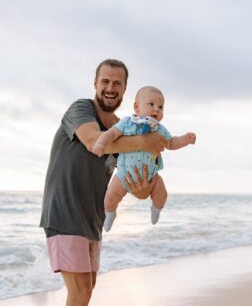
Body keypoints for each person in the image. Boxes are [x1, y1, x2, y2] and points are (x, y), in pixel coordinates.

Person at [39, 59, 167, 306]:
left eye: (117, 83)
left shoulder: (124, 128)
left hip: (93, 219)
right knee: (81, 291)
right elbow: (92, 141)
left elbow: (133, 180)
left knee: (87, 290)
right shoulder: (80, 109)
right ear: (95, 83)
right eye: (105, 81)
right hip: (64, 212)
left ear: (125, 89)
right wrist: (144, 142)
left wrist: (145, 189)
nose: (110, 87)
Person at [91, 86, 196, 231]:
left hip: (151, 177)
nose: (157, 110)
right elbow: (112, 134)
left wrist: (185, 140)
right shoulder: (127, 123)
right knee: (110, 197)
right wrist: (101, 143)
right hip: (123, 175)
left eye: (161, 107)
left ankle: (156, 209)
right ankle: (110, 213)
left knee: (162, 194)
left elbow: (171, 143)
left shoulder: (159, 129)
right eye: (151, 104)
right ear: (137, 107)